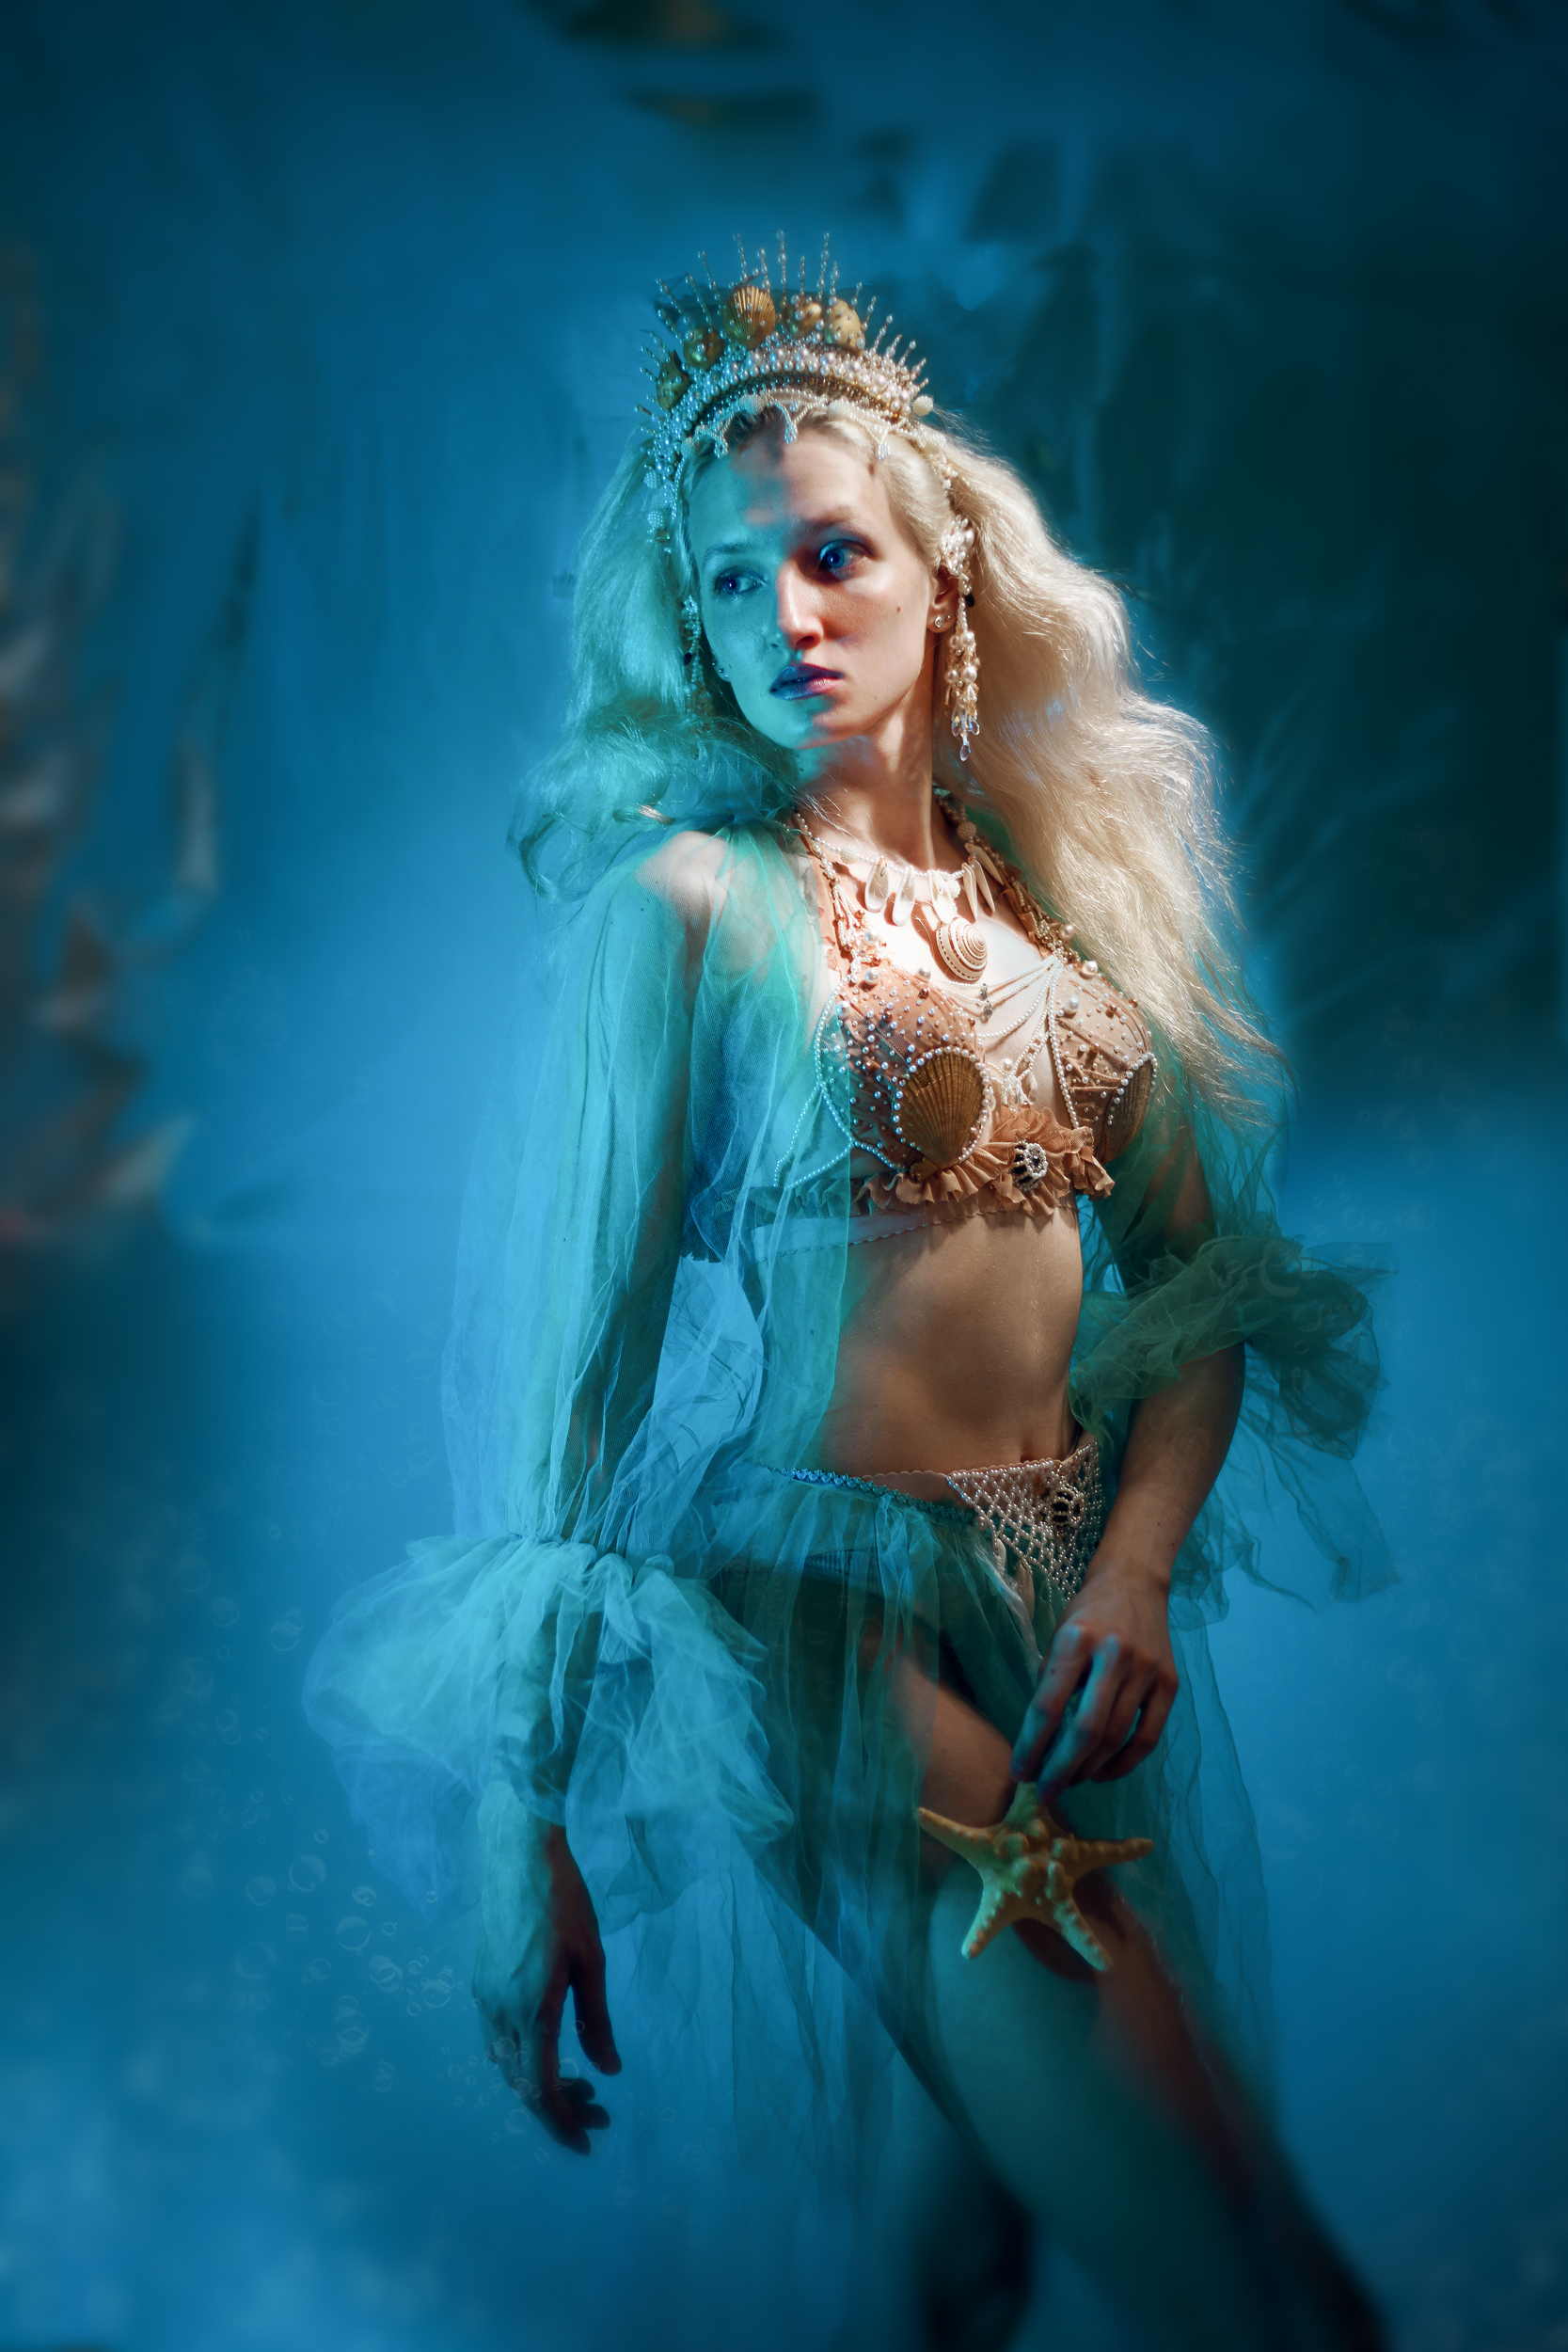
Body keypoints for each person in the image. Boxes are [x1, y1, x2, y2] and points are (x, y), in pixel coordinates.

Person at [306, 243, 1391, 2349]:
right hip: (816, 1632)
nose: (784, 618)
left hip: (1056, 1635)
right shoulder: (691, 910)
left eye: (829, 554)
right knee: (1263, 2294)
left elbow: (1204, 1290)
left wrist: (1135, 1572)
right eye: (729, 582)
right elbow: (571, 1393)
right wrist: (519, 1828)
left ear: (944, 571)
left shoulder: (1068, 932)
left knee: (958, 2260)